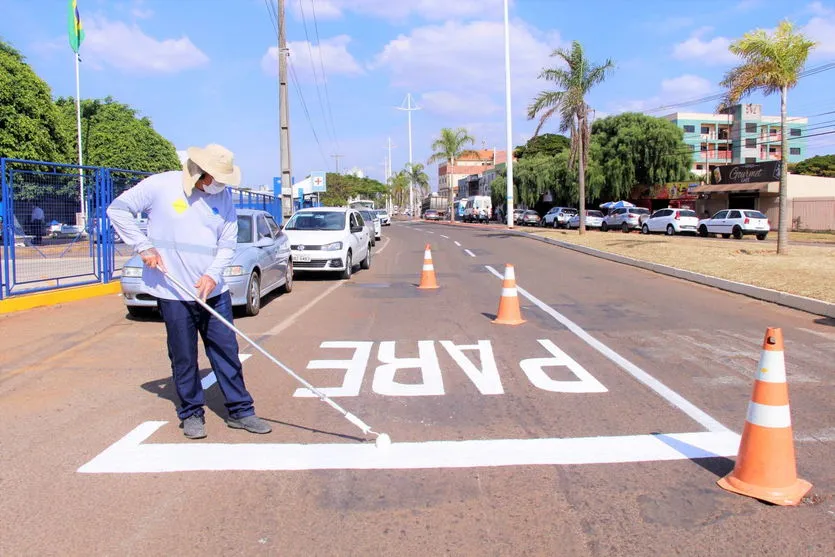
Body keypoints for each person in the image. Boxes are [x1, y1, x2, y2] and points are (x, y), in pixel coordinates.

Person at [106, 144, 271, 439]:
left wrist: (212, 274)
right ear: (200, 172)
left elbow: (228, 241)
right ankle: (192, 412)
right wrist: (143, 246)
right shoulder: (160, 185)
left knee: (226, 351)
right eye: (217, 178)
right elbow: (117, 210)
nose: (221, 185)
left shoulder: (224, 195)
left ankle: (241, 411)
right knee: (183, 355)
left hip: (213, 291)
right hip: (174, 290)